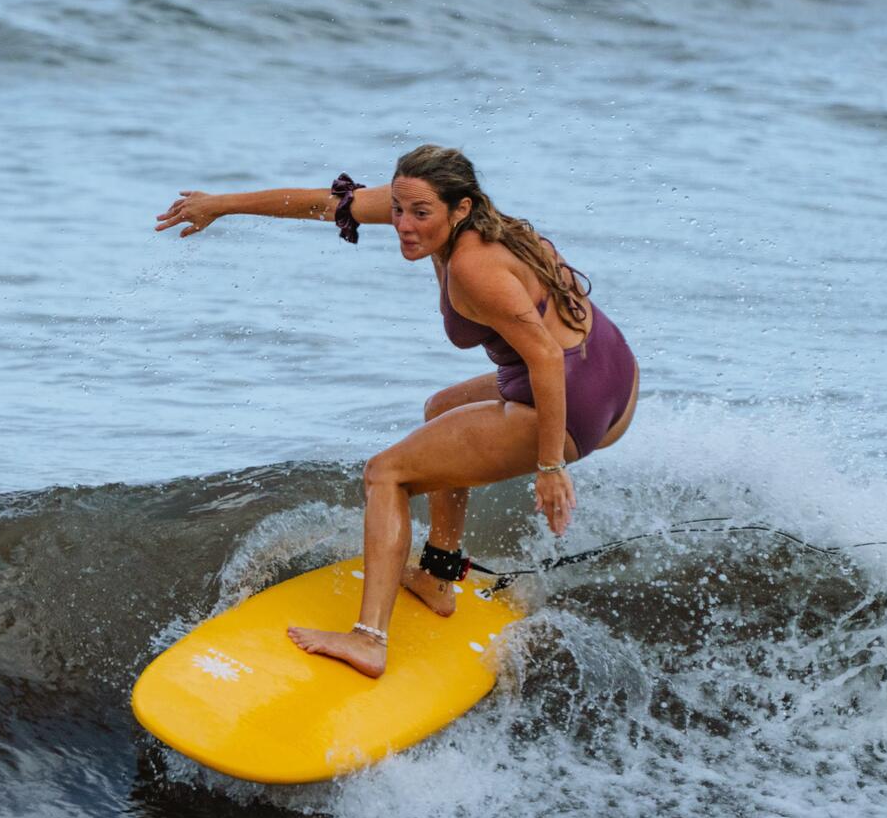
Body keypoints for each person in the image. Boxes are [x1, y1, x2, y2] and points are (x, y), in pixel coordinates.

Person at [154, 144, 640, 679]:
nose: (403, 225)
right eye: (397, 209)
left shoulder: (474, 265)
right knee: (441, 410)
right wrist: (221, 204)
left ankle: (368, 640)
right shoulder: (466, 218)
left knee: (386, 474)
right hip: (611, 374)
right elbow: (321, 204)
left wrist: (550, 468)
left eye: (419, 214)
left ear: (460, 209)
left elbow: (545, 356)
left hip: (567, 397)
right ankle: (438, 575)